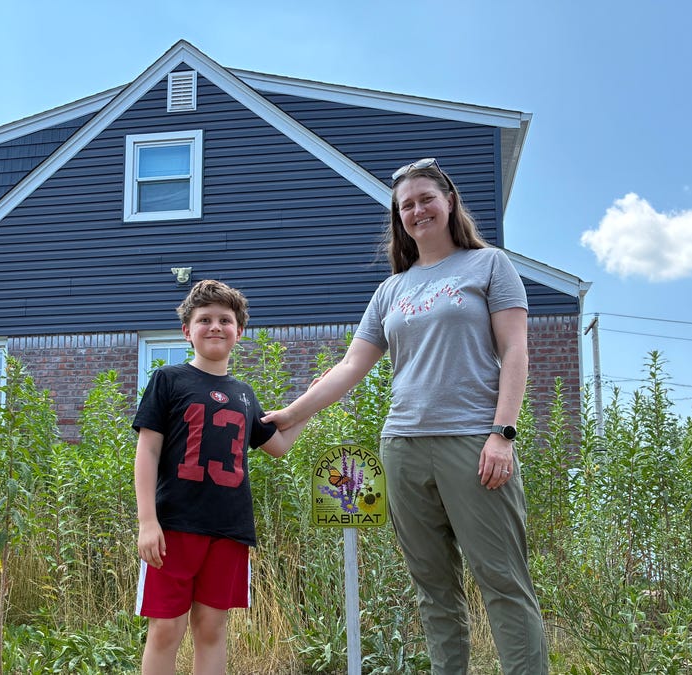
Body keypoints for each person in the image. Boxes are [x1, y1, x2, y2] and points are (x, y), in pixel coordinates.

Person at [263, 158, 548, 674]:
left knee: (502, 581)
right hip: (403, 447)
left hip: (474, 443)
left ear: (450, 202)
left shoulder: (489, 266)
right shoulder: (391, 290)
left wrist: (503, 433)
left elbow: (516, 352)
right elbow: (352, 366)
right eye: (406, 205)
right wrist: (290, 414)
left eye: (426, 199)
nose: (417, 210)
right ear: (399, 217)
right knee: (434, 591)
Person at [133, 279, 310, 675]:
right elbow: (148, 450)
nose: (215, 326)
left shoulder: (244, 393)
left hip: (229, 529)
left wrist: (310, 404)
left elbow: (277, 446)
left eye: (225, 320)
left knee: (212, 628)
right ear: (187, 331)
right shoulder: (168, 379)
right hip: (174, 527)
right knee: (166, 628)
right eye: (205, 319)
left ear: (239, 331)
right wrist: (147, 521)